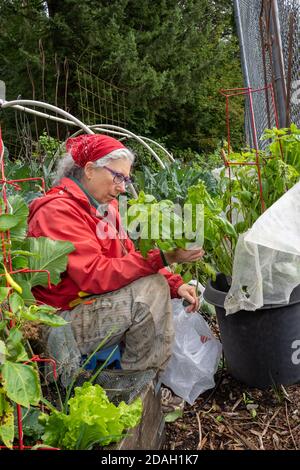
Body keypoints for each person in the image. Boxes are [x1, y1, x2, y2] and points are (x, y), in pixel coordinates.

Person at [28, 133, 204, 408]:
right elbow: (95, 274)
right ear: (89, 170)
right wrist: (163, 259)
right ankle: (137, 392)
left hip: (89, 305)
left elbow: (129, 256)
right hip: (61, 323)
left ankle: (142, 386)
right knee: (149, 293)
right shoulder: (57, 212)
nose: (123, 187)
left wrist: (174, 283)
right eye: (118, 177)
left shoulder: (103, 206)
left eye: (127, 179)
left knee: (156, 286)